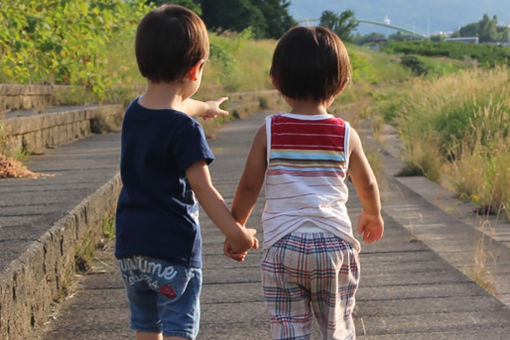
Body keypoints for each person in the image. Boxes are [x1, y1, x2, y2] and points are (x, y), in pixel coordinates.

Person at [225, 26, 384, 340]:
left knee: (288, 327)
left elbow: (248, 186)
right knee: (336, 326)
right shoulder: (345, 133)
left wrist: (237, 227)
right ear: (342, 84)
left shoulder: (269, 130)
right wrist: (372, 214)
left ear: (275, 80)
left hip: (284, 247)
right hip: (334, 244)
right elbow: (367, 182)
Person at [115, 5, 258, 340]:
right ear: (197, 69)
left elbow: (175, 105)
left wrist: (204, 107)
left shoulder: (134, 112)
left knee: (146, 325)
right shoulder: (184, 130)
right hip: (173, 249)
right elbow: (204, 191)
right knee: (179, 325)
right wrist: (237, 234)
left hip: (131, 246)